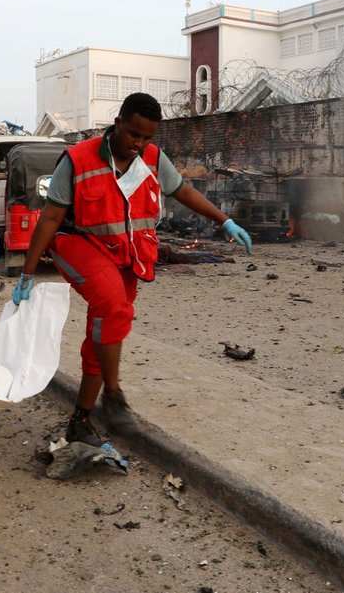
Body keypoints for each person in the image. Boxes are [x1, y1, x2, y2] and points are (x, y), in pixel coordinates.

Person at [13, 92, 253, 446]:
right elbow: (50, 217)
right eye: (133, 135)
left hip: (125, 254)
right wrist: (27, 272)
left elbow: (182, 191)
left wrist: (225, 221)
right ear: (117, 124)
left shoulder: (152, 159)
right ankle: (112, 396)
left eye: (147, 138)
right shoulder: (78, 160)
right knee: (113, 308)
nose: (138, 144)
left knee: (107, 327)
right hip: (77, 244)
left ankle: (79, 420)